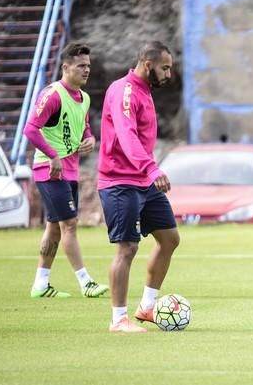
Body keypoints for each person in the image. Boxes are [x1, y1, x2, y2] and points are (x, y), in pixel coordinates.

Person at [98, 41, 180, 333]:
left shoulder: (144, 91)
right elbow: (126, 135)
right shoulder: (126, 90)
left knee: (169, 238)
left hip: (142, 181)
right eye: (165, 68)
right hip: (120, 181)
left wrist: (147, 172)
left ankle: (146, 307)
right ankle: (118, 319)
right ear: (148, 65)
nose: (168, 74)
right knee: (127, 247)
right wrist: (151, 168)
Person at [24, 42, 108, 299]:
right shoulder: (52, 94)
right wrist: (53, 155)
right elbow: (30, 129)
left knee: (55, 228)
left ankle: (40, 284)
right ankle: (86, 283)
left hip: (69, 172)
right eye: (81, 66)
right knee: (69, 225)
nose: (86, 70)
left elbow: (84, 128)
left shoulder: (84, 98)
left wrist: (91, 139)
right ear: (66, 67)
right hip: (49, 171)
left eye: (88, 66)